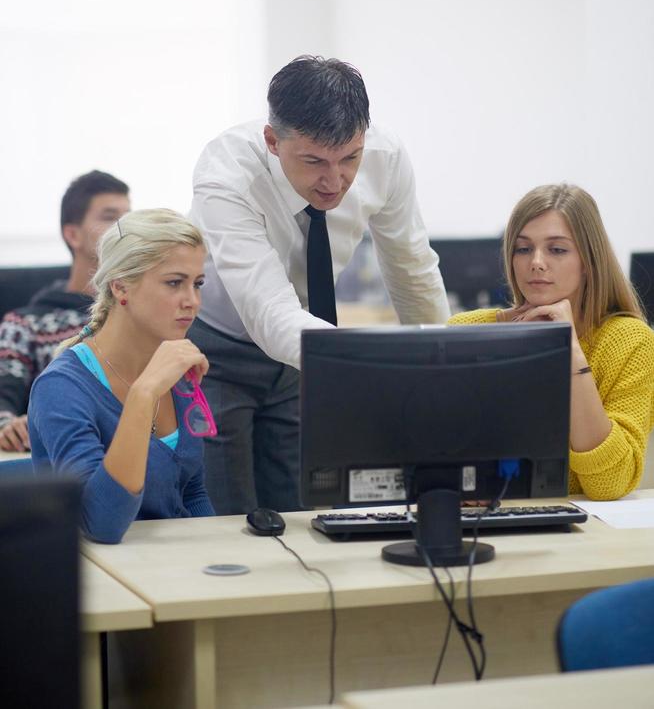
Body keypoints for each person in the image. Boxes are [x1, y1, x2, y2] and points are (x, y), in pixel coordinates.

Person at [189, 55, 450, 514]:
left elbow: (412, 272)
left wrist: (444, 369)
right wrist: (366, 369)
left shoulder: (385, 157)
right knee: (228, 519)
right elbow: (268, 311)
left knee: (304, 513)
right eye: (314, 161)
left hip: (304, 353)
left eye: (350, 157)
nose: (335, 181)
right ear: (273, 141)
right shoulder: (227, 171)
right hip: (217, 354)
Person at [449, 183, 654, 500]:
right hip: (484, 523)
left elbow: (609, 484)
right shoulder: (467, 331)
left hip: (580, 534)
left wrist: (569, 349)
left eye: (557, 249)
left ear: (588, 261)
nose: (536, 262)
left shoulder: (630, 342)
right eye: (523, 248)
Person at [28, 209, 215, 543]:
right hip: (104, 578)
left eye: (197, 284)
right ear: (121, 287)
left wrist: (219, 557)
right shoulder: (60, 388)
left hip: (175, 570)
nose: (192, 301)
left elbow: (192, 493)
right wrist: (144, 393)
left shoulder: (176, 368)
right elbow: (100, 523)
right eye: (174, 282)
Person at [0, 170, 130, 452]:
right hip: (65, 466)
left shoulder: (142, 314)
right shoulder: (25, 324)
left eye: (128, 217)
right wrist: (8, 426)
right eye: (110, 217)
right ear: (72, 234)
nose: (124, 228)